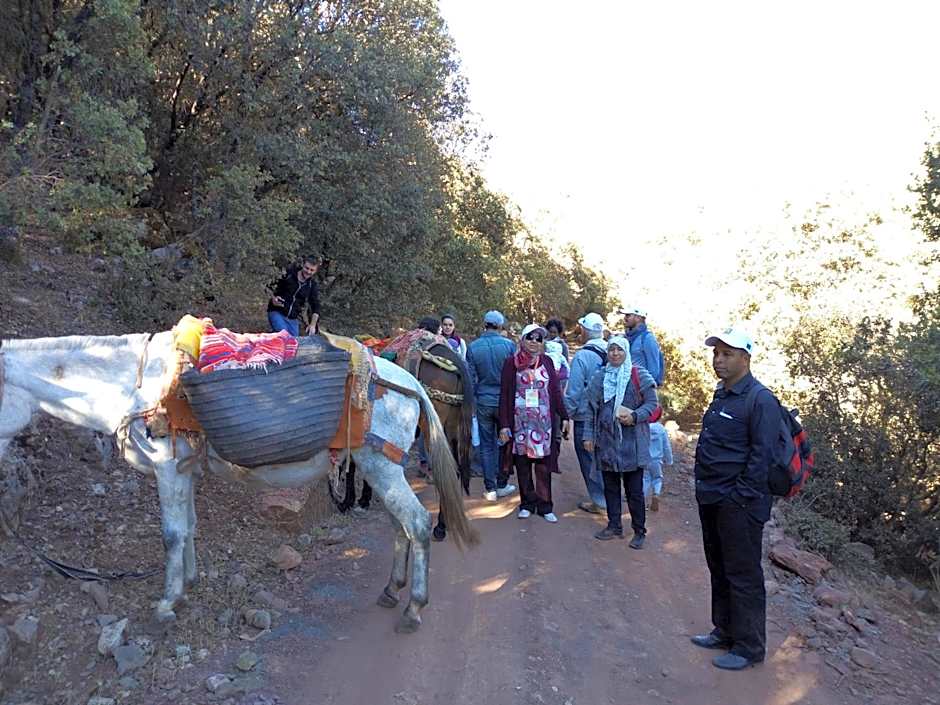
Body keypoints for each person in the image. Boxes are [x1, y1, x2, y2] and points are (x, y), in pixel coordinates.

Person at [691, 327, 775, 671]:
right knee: (719, 566)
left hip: (739, 504)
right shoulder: (722, 394)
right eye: (716, 353)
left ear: (746, 358)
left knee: (743, 574)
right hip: (711, 496)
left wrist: (738, 497)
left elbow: (763, 457)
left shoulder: (761, 399)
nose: (719, 360)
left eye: (727, 354)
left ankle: (749, 647)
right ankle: (724, 630)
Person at [581, 336, 658, 548]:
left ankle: (639, 531)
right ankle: (614, 525)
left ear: (626, 352)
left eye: (619, 350)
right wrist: (588, 435)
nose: (615, 353)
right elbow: (591, 409)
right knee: (610, 487)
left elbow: (652, 403)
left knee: (634, 492)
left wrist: (635, 416)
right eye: (611, 350)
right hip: (606, 443)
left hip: (633, 444)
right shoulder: (600, 377)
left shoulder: (639, 375)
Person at [498, 324, 568, 522]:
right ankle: (527, 503)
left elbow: (555, 391)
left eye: (539, 339)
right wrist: (504, 425)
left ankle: (545, 506)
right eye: (530, 337)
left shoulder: (546, 361)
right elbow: (504, 395)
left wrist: (565, 416)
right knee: (523, 464)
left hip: (543, 424)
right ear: (522, 340)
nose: (534, 342)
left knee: (543, 466)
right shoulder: (511, 363)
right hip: (520, 423)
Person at [466, 310, 518, 501]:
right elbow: (515, 376)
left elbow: (470, 379)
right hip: (505, 402)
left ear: (485, 324)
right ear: (500, 326)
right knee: (505, 442)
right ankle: (502, 483)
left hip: (483, 401)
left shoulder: (473, 347)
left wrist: (472, 404)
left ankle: (490, 489)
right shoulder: (509, 346)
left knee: (487, 446)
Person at [564, 312, 609, 514]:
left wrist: (566, 415)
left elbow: (574, 391)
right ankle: (611, 498)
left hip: (585, 416)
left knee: (588, 459)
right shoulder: (614, 350)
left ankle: (600, 501)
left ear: (585, 330)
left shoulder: (582, 356)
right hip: (608, 415)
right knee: (606, 457)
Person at [267, 255, 321, 336]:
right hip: (277, 312)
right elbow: (269, 286)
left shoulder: (311, 285)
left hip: (293, 319)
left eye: (312, 270)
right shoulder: (289, 274)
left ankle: (270, 338)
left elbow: (315, 306)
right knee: (284, 336)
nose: (308, 272)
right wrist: (273, 298)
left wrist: (312, 325)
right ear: (302, 265)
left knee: (294, 341)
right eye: (307, 268)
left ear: (315, 271)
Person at [620, 305, 664, 386]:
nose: (625, 318)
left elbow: (654, 370)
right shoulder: (625, 338)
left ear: (638, 318)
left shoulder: (648, 338)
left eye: (628, 315)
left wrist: (645, 387)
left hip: (641, 388)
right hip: (626, 386)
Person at [644, 421, 674, 511]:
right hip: (657, 461)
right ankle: (656, 494)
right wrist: (669, 460)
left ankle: (643, 502)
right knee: (657, 479)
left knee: (645, 479)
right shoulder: (661, 429)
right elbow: (666, 446)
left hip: (645, 460)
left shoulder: (643, 427)